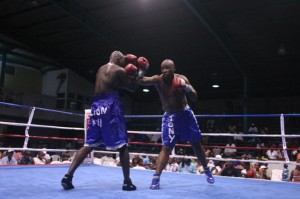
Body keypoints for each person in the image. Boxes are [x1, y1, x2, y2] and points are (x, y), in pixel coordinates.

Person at [61, 51, 148, 191]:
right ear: (118, 59)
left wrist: (128, 74)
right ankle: (127, 182)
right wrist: (142, 71)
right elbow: (132, 88)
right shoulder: (119, 70)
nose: (125, 63)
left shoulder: (101, 69)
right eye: (123, 60)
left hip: (96, 106)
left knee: (89, 143)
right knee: (123, 144)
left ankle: (68, 176)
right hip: (110, 105)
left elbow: (113, 84)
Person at [138, 59, 214, 190]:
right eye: (163, 68)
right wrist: (142, 70)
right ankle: (156, 177)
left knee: (196, 144)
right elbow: (140, 81)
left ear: (174, 68)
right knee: (166, 147)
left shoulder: (182, 78)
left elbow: (195, 97)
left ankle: (206, 169)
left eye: (168, 67)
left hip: (186, 114)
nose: (165, 70)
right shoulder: (158, 80)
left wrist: (186, 87)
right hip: (170, 116)